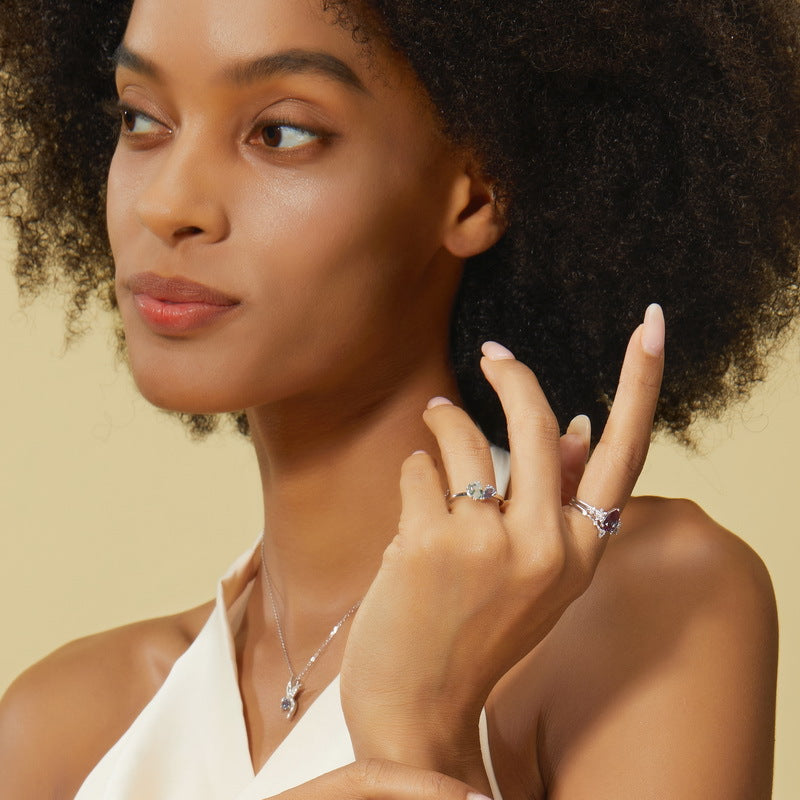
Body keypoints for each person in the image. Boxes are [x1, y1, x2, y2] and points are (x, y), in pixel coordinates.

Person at [0, 0, 798, 797]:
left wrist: (416, 723)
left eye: (280, 133)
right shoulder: (63, 730)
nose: (166, 205)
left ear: (476, 195)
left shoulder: (651, 606)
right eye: (141, 120)